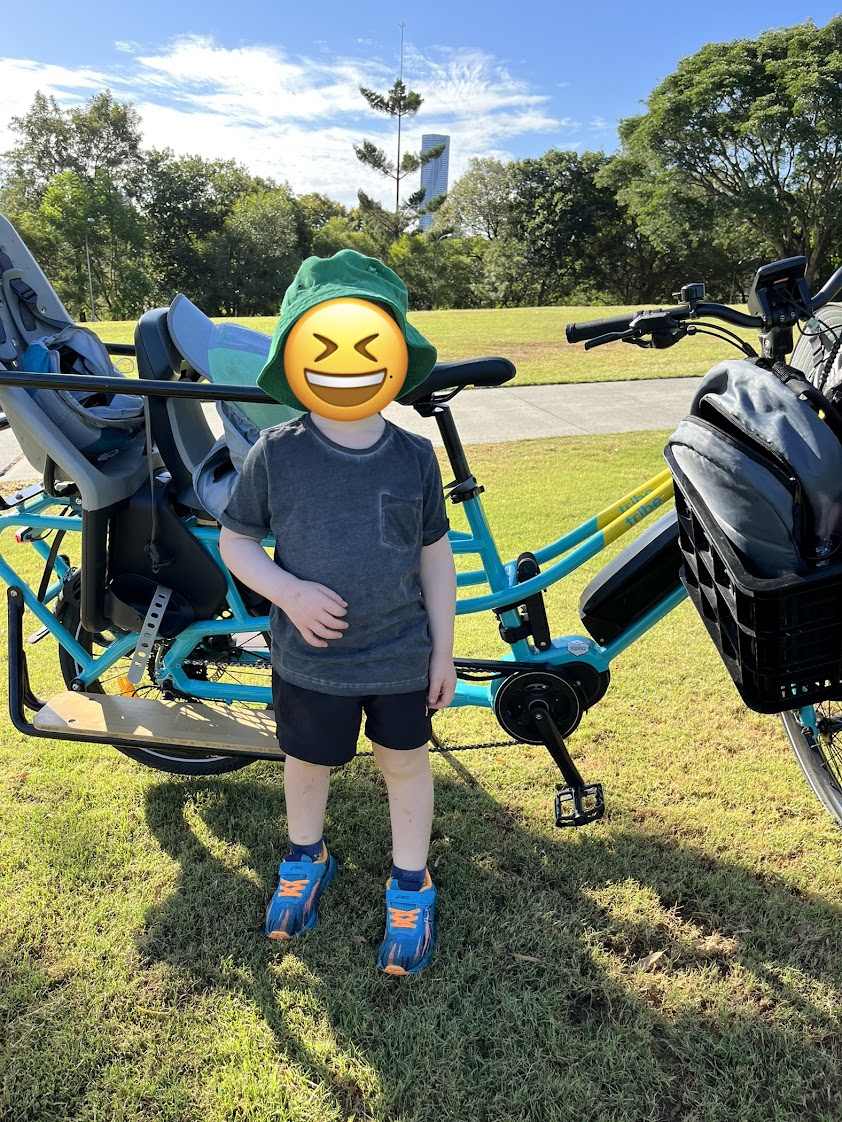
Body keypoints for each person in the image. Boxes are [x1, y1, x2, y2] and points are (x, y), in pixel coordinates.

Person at [218, 251, 457, 977]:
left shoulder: (413, 458)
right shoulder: (276, 454)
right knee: (306, 763)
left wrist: (443, 652)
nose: (347, 363)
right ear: (294, 354)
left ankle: (411, 883)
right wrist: (286, 591)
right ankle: (304, 856)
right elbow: (236, 539)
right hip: (309, 661)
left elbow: (434, 557)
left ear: (394, 352)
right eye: (324, 343)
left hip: (398, 658)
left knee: (405, 767)